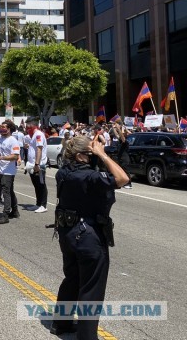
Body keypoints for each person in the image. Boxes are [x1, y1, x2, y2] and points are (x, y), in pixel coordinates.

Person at [51, 135, 129, 338]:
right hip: (88, 237)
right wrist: (102, 155)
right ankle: (86, 336)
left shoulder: (63, 172)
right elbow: (122, 178)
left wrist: (93, 147)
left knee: (72, 279)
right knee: (91, 288)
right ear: (80, 156)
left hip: (67, 233)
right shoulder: (89, 177)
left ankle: (62, 324)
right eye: (89, 153)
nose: (93, 156)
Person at [25, 117, 48, 213]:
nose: (26, 127)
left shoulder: (38, 134)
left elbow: (39, 149)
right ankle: (38, 204)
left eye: (27, 124)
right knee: (36, 185)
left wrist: (37, 164)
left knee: (41, 185)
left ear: (31, 124)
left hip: (38, 165)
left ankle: (43, 205)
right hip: (32, 164)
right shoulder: (34, 135)